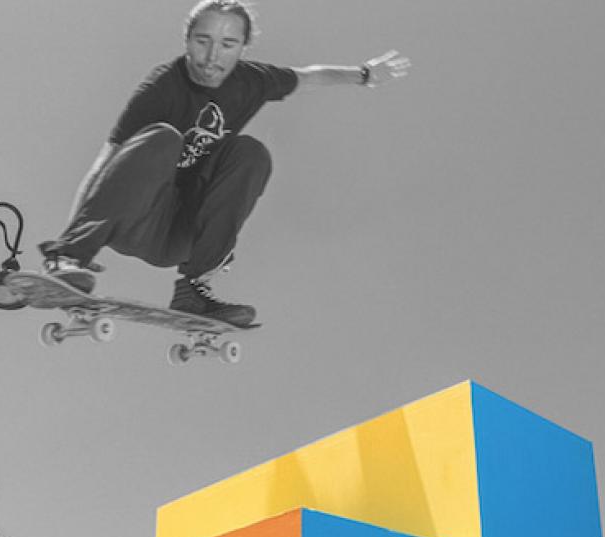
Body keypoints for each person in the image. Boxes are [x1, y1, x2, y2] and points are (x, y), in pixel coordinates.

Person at [36, 1, 412, 326]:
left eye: (228, 44)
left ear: (243, 48)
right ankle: (70, 257)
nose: (213, 57)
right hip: (135, 218)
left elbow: (309, 76)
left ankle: (194, 289)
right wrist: (71, 249)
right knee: (163, 137)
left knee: (252, 153)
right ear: (187, 41)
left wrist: (363, 75)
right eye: (203, 42)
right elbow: (106, 164)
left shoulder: (254, 81)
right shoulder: (163, 85)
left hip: (181, 236)